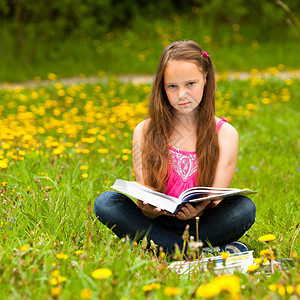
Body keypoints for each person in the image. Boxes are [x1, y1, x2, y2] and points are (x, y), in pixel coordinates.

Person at [94, 40, 256, 255]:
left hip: (201, 225)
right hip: (155, 223)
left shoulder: (225, 134)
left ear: (205, 79)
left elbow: (215, 199)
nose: (182, 95)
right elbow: (145, 194)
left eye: (190, 84)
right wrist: (149, 211)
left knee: (244, 208)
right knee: (106, 202)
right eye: (172, 86)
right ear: (162, 87)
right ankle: (191, 252)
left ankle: (163, 249)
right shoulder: (144, 130)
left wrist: (198, 211)